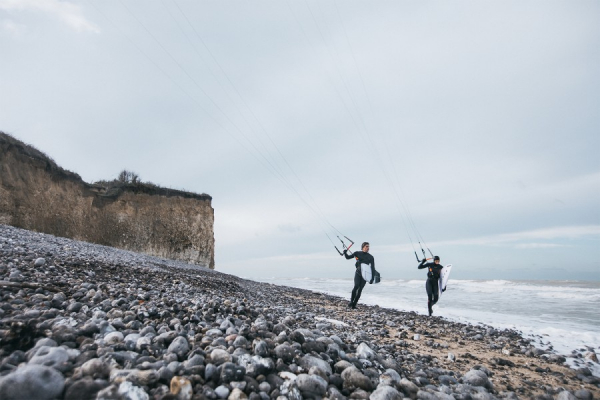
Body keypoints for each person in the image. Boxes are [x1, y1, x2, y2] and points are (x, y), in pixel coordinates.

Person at [343, 242, 375, 309]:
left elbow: (372, 268)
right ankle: (351, 302)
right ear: (363, 247)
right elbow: (348, 257)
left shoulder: (371, 257)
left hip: (364, 276)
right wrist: (345, 253)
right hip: (358, 273)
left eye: (368, 247)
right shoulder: (357, 253)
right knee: (356, 286)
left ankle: (354, 305)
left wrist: (372, 278)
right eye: (366, 246)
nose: (368, 248)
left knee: (360, 290)